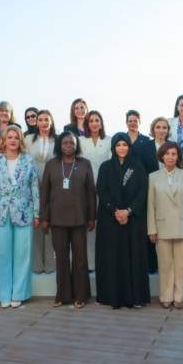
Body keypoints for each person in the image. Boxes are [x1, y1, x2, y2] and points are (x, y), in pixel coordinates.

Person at [40, 132, 97, 308]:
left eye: (72, 143)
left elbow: (91, 193)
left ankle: (80, 296)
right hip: (57, 220)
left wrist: (92, 217)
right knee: (62, 258)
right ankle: (62, 296)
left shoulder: (85, 163)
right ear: (59, 145)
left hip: (80, 219)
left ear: (76, 145)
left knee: (80, 259)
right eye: (65, 143)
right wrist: (44, 218)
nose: (68, 146)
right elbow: (44, 193)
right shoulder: (51, 164)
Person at [0, 125, 40, 308]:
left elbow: (34, 188)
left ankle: (19, 293)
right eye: (9, 137)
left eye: (16, 137)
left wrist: (36, 213)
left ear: (20, 141)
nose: (13, 140)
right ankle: (4, 294)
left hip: (24, 212)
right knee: (2, 254)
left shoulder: (28, 160)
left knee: (22, 254)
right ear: (4, 140)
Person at [95, 133, 150, 309]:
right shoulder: (105, 167)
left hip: (133, 220)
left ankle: (136, 298)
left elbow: (142, 192)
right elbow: (101, 191)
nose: (122, 148)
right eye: (118, 145)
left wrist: (128, 211)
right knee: (112, 258)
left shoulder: (138, 167)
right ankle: (112, 297)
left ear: (129, 146)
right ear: (113, 147)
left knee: (134, 257)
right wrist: (116, 211)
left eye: (124, 144)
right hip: (110, 219)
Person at [147, 141, 183, 309]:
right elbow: (151, 205)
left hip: (182, 225)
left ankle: (179, 296)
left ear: (178, 156)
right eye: (167, 154)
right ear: (161, 156)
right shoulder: (153, 177)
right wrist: (152, 229)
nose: (170, 157)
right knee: (165, 265)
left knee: (181, 265)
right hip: (162, 227)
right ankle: (166, 296)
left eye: (174, 154)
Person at [125, 110, 159, 273]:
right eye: (130, 120)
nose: (133, 123)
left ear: (140, 122)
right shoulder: (121, 139)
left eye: (135, 120)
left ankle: (150, 264)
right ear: (126, 122)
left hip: (143, 183)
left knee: (146, 225)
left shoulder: (146, 141)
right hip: (126, 185)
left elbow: (150, 164)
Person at [25, 110, 57, 274]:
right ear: (36, 123)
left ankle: (50, 264)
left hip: (54, 185)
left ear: (51, 122)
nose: (44, 122)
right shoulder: (28, 139)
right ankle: (37, 264)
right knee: (36, 222)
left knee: (51, 223)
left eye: (46, 119)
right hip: (32, 184)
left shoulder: (58, 139)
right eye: (41, 120)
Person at [79, 110, 111, 271]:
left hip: (105, 188)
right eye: (91, 121)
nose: (94, 123)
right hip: (85, 187)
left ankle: (104, 261)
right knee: (89, 225)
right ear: (87, 124)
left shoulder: (109, 140)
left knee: (104, 226)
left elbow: (111, 164)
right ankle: (90, 263)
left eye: (97, 120)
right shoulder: (80, 141)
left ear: (101, 123)